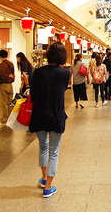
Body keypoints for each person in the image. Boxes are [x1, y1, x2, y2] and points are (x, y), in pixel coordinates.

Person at [29, 42, 71, 198]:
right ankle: (48, 187)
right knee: (54, 151)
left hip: (39, 114)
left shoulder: (38, 72)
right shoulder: (65, 74)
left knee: (43, 147)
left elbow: (33, 93)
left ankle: (44, 177)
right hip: (56, 115)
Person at [0, 49, 15, 126]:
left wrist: (6, 77)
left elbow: (2, 76)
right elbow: (12, 74)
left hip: (4, 85)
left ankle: (4, 120)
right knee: (10, 102)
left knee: (3, 103)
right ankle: (11, 119)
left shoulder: (1, 65)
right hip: (10, 84)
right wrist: (10, 77)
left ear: (0, 56)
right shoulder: (11, 64)